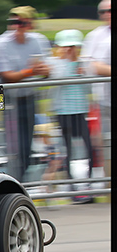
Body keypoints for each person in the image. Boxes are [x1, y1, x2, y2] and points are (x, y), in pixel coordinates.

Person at [0, 6, 52, 181]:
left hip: (29, 97)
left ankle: (21, 181)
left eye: (22, 22)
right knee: (13, 145)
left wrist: (43, 70)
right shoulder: (0, 42)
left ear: (30, 24)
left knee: (26, 144)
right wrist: (31, 71)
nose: (17, 26)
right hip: (10, 100)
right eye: (14, 22)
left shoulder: (38, 40)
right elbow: (7, 75)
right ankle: (12, 179)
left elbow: (47, 70)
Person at [48, 29, 94, 203]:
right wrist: (68, 61)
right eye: (68, 47)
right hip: (63, 112)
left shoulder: (83, 64)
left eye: (74, 47)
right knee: (67, 149)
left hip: (80, 111)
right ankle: (71, 185)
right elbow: (58, 78)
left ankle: (88, 182)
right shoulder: (55, 63)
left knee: (87, 146)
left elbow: (89, 88)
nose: (71, 50)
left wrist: (83, 70)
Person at [81, 0, 111, 175]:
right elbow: (90, 65)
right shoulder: (95, 36)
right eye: (104, 11)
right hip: (104, 99)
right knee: (107, 143)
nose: (108, 14)